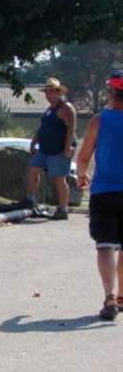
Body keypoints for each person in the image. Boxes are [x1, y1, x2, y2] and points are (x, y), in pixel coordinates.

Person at [75, 70, 123, 320]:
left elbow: (83, 156)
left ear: (110, 92)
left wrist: (81, 175)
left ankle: (109, 297)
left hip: (104, 190)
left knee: (105, 245)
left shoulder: (99, 120)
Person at [24, 77, 76, 220]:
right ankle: (29, 200)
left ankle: (62, 209)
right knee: (33, 170)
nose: (48, 95)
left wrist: (67, 147)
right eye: (46, 92)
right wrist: (34, 141)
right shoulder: (49, 109)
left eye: (51, 92)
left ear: (58, 92)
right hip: (44, 149)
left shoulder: (66, 107)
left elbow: (71, 129)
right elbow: (42, 127)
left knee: (59, 179)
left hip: (59, 150)